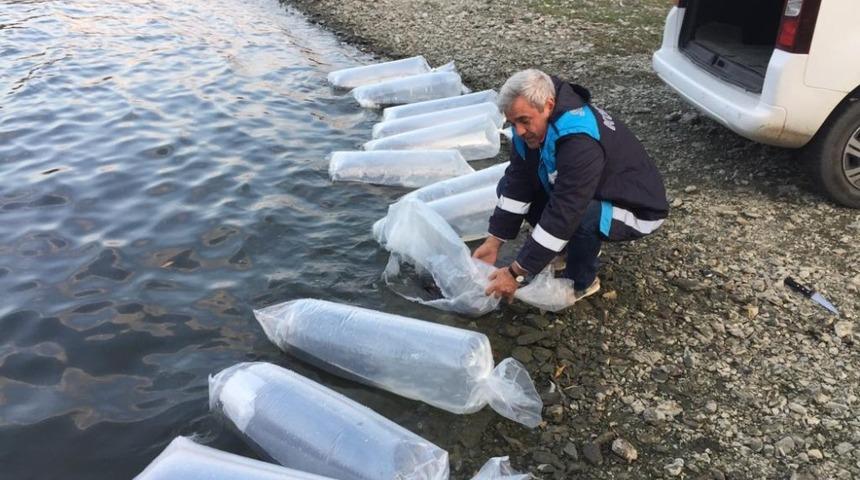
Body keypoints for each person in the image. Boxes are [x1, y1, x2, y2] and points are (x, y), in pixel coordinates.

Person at [473, 69, 669, 303]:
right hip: (590, 191)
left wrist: (515, 273)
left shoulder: (578, 141)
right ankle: (564, 249)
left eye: (524, 121)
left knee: (582, 217)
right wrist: (494, 241)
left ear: (548, 105)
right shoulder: (529, 127)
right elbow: (518, 183)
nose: (519, 131)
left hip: (635, 207)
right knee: (507, 185)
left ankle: (580, 282)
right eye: (512, 122)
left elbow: (566, 211)